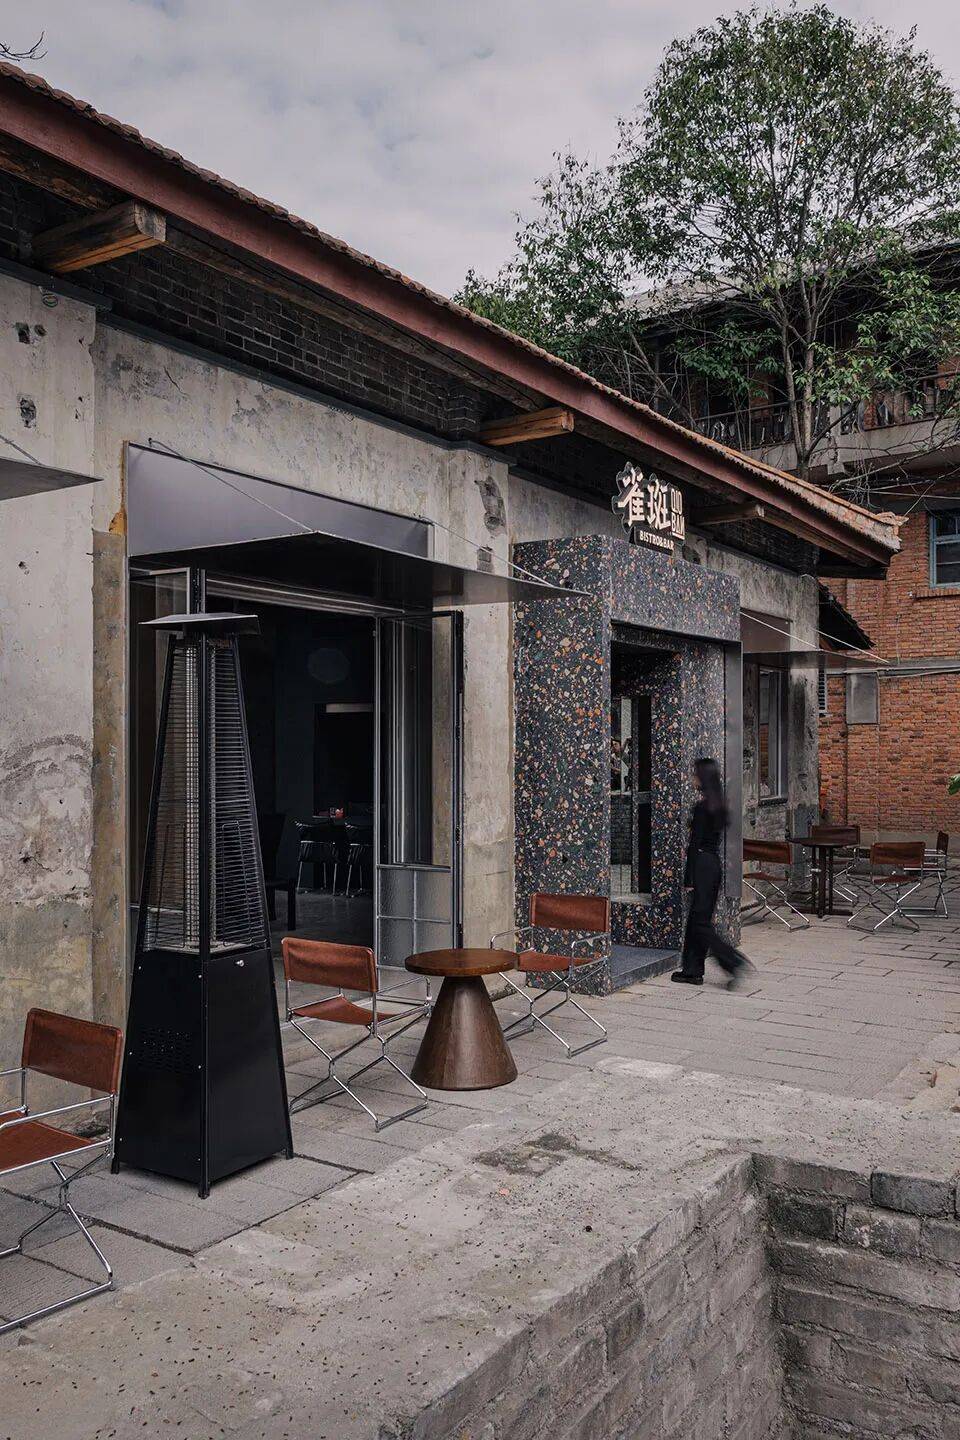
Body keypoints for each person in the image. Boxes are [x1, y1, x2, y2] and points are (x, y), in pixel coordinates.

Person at [672, 757, 753, 989]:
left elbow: (694, 844)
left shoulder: (702, 808)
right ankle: (692, 971)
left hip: (701, 865)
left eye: (695, 774)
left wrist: (688, 877)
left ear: (703, 777)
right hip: (713, 865)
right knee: (697, 920)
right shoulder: (719, 805)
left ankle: (733, 962)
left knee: (700, 923)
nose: (692, 778)